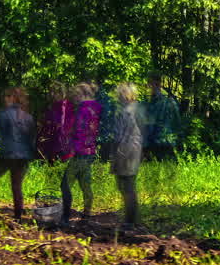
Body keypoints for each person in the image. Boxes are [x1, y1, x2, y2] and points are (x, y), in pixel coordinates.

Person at [0, 87, 36, 221]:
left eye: (7, 96)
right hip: (23, 156)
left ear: (13, 98)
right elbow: (32, 139)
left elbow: (0, 129)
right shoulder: (28, 117)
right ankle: (18, 217)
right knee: (16, 187)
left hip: (7, 154)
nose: (4, 99)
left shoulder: (3, 114)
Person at [60, 83, 101, 225]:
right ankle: (87, 214)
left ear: (83, 95)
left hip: (80, 152)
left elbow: (78, 131)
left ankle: (65, 217)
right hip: (90, 151)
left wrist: (70, 146)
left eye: (76, 95)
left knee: (65, 184)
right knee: (85, 183)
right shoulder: (96, 109)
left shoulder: (83, 110)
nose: (75, 99)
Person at [110, 82, 142, 226]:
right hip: (134, 149)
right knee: (128, 185)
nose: (118, 96)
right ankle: (133, 219)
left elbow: (118, 135)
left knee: (125, 186)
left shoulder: (125, 111)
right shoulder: (138, 108)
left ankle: (130, 221)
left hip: (125, 150)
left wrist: (115, 153)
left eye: (120, 94)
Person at [143, 72, 182, 162]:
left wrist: (179, 141)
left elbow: (177, 124)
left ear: (157, 84)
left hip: (163, 144)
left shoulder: (168, 102)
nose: (148, 88)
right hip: (154, 145)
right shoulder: (148, 105)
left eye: (149, 85)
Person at [37, 81, 74, 164]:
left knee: (62, 155)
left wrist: (63, 128)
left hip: (63, 137)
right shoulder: (53, 105)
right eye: (52, 92)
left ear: (61, 93)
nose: (53, 94)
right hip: (54, 137)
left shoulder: (67, 105)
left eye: (55, 92)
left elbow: (69, 120)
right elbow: (48, 120)